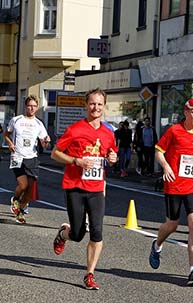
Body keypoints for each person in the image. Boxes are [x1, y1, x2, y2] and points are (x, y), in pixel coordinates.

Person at [51, 88, 118, 290]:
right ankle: (64, 233)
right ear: (86, 105)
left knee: (97, 232)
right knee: (79, 234)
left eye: (99, 104)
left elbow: (110, 154)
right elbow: (55, 153)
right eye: (92, 103)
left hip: (97, 188)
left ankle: (89, 274)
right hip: (75, 187)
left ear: (103, 107)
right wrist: (76, 161)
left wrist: (113, 159)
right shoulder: (75, 129)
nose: (95, 107)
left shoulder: (108, 133)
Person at [148, 97, 193, 286]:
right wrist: (166, 167)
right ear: (185, 112)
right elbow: (158, 151)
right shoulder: (174, 131)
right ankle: (157, 245)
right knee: (172, 225)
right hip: (174, 184)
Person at [4, 95, 51, 224]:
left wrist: (46, 142)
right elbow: (7, 134)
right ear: (25, 106)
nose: (32, 108)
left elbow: (44, 143)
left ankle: (21, 207)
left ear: (37, 108)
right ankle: (16, 200)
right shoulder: (16, 120)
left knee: (30, 190)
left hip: (32, 158)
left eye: (34, 106)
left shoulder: (38, 124)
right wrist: (9, 143)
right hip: (17, 156)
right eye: (30, 105)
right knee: (23, 185)